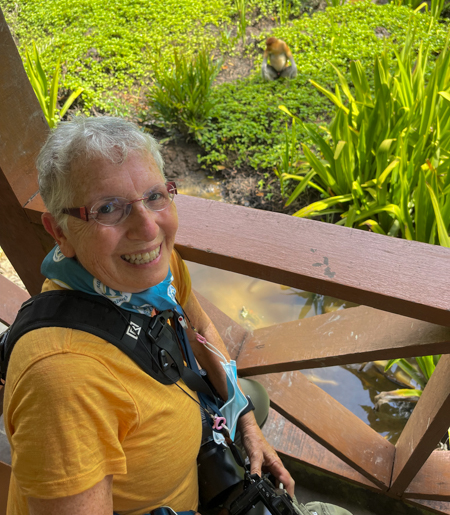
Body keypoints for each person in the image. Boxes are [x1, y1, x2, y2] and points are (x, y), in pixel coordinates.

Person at [3, 116, 294, 515]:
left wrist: (244, 421)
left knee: (255, 397)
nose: (147, 228)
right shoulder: (62, 384)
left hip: (195, 452)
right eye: (108, 208)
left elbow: (199, 328)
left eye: (155, 196)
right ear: (61, 233)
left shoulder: (156, 269)